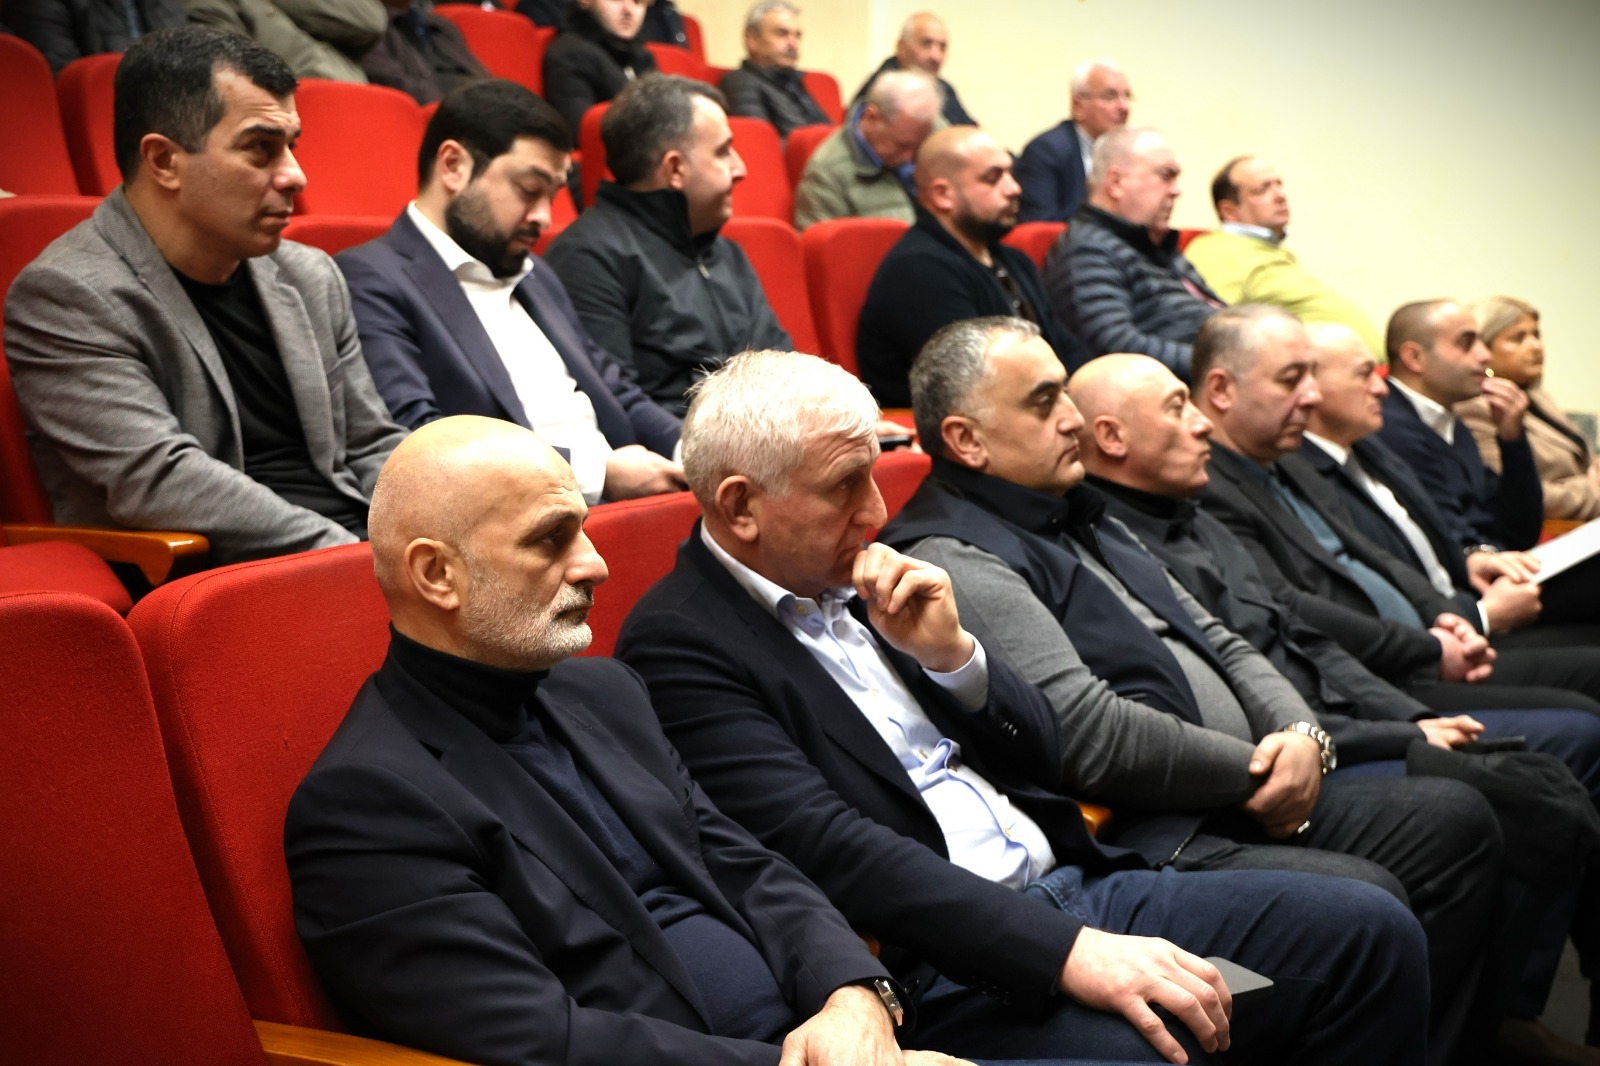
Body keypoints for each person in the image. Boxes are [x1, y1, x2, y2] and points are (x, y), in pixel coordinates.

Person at [618, 348, 1430, 1066]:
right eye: (842, 487)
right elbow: (827, 846)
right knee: (1161, 1047)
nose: (875, 512)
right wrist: (1070, 951)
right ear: (740, 506)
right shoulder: (679, 640)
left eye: (872, 475)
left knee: (1371, 932)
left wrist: (953, 659)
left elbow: (1047, 750)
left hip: (1074, 879)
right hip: (948, 959)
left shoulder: (867, 578)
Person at [879, 316, 1512, 1064]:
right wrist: (1259, 769)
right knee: (1369, 905)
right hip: (1159, 823)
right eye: (1045, 401)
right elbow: (1090, 733)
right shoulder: (956, 552)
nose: (1072, 418)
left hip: (1243, 784)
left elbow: (1222, 637)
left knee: (1458, 822)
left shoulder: (1076, 508)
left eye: (1068, 396)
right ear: (967, 440)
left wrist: (1301, 736)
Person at [285, 415, 945, 1066]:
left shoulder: (603, 692)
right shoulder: (366, 804)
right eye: (551, 540)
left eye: (584, 530)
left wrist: (855, 995)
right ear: (436, 574)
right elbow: (545, 1041)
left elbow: (749, 867)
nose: (594, 565)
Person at [1071, 348, 1600, 1065]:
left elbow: (1285, 635)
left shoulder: (1186, 510)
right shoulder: (1116, 528)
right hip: (1247, 775)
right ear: (1111, 436)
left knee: (1534, 780)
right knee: (1482, 806)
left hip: (1326, 723)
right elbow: (1162, 704)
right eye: (1178, 408)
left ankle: (1499, 1024)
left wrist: (1398, 718)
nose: (1199, 424)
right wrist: (1390, 727)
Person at [3, 26, 407, 566]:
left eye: (291, 146)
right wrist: (359, 561)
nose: (295, 176)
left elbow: (371, 443)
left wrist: (440, 531)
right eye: (260, 149)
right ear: (163, 161)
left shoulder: (310, 275)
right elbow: (159, 480)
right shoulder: (68, 295)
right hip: (221, 576)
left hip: (359, 548)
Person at [1189, 306, 1600, 706]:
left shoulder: (1321, 457)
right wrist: (1454, 633)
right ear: (1221, 390)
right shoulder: (1226, 481)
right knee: (1581, 710)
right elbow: (1294, 607)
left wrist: (1454, 612)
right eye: (1292, 379)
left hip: (1437, 630)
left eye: (1311, 377)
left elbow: (1378, 557)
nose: (1311, 396)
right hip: (1382, 676)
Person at [337, 79, 684, 506]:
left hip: (628, 499)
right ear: (453, 166)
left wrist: (690, 451)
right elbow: (420, 440)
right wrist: (598, 476)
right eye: (529, 190)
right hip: (523, 518)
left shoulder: (535, 271)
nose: (544, 217)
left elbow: (615, 390)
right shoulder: (371, 278)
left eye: (553, 195)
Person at [545, 76, 790, 415]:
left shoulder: (728, 254)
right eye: (723, 152)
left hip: (765, 437)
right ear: (675, 168)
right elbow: (616, 406)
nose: (741, 168)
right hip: (680, 444)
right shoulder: (587, 258)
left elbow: (785, 374)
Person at [856, 126, 1087, 407]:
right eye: (993, 178)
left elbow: (1065, 348)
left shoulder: (1014, 261)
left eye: (1011, 173)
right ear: (942, 195)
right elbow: (974, 383)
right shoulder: (919, 270)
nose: (1014, 188)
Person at [1042, 128, 1222, 380]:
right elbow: (1118, 349)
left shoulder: (1153, 243)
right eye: (1165, 176)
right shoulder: (1086, 250)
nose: (1176, 190)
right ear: (1116, 183)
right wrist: (1222, 363)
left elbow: (1214, 309)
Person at [1182, 157, 1383, 357]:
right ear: (1229, 211)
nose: (1280, 195)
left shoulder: (1264, 249)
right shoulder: (1217, 249)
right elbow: (1210, 329)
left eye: (1278, 185)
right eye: (1262, 190)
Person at [1460, 296, 1600, 521]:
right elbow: (1516, 494)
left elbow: (1585, 461)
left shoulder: (1539, 398)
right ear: (1482, 348)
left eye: (1536, 335)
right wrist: (1591, 491)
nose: (1536, 346)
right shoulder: (1476, 410)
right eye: (1518, 338)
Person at [792, 68, 941, 231]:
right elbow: (821, 244)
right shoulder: (826, 173)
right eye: (901, 145)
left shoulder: (931, 132)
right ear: (870, 118)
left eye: (919, 145)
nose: (909, 158)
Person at [1014, 58, 1130, 224]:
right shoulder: (1045, 152)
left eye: (1127, 96)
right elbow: (1039, 227)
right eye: (1110, 96)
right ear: (1078, 107)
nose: (1124, 107)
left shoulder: (1126, 155)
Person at [542, 0, 657, 147]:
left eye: (637, 1)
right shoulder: (571, 53)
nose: (628, 11)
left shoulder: (641, 57)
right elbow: (584, 135)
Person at [183, 0, 385, 82]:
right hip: (299, 113)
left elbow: (370, 21)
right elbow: (232, 76)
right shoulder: (210, 5)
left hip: (361, 104)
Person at [719, 1, 831, 141]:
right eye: (782, 33)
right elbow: (760, 142)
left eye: (797, 36)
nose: (793, 44)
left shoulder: (794, 83)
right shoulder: (740, 82)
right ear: (752, 40)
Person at [850, 12, 973, 127]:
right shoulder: (880, 89)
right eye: (926, 43)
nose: (936, 56)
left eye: (942, 47)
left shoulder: (944, 88)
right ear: (901, 47)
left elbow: (970, 132)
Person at [360, 0, 487, 104]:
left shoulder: (443, 26)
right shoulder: (367, 27)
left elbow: (478, 73)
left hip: (476, 108)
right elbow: (390, 78)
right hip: (443, 114)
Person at [8, 0, 185, 74]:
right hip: (103, 118)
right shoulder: (38, 4)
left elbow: (185, 61)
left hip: (174, 112)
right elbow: (68, 84)